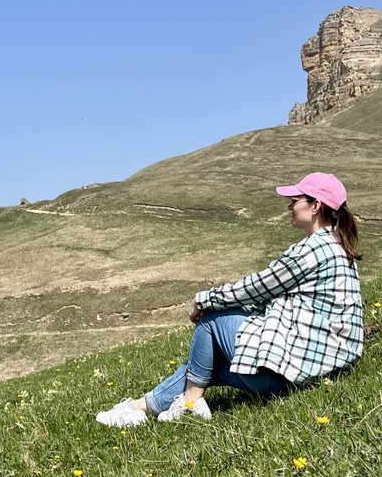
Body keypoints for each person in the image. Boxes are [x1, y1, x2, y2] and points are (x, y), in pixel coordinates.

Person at [95, 172, 362, 427]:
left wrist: (203, 300)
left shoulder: (313, 250)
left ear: (315, 206)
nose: (289, 206)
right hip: (319, 371)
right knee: (208, 365)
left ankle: (190, 403)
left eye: (295, 200)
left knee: (212, 317)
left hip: (292, 373)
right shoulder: (337, 247)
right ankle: (139, 409)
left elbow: (258, 287)